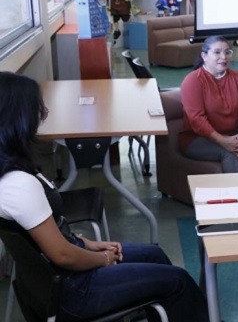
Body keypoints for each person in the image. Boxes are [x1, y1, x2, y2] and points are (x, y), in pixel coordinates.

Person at [0, 72, 210, 321]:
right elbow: (62, 255)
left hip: (62, 277)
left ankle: (158, 310)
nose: (41, 116)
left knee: (154, 255)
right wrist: (102, 259)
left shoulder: (13, 170)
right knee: (179, 281)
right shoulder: (18, 185)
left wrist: (88, 244)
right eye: (35, 110)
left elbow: (49, 235)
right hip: (74, 290)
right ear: (17, 119)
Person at [180, 36, 238, 173]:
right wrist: (224, 142)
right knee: (230, 151)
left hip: (233, 134)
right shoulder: (193, 80)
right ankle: (237, 194)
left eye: (227, 52)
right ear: (204, 56)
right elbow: (197, 120)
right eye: (217, 52)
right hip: (198, 139)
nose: (223, 57)